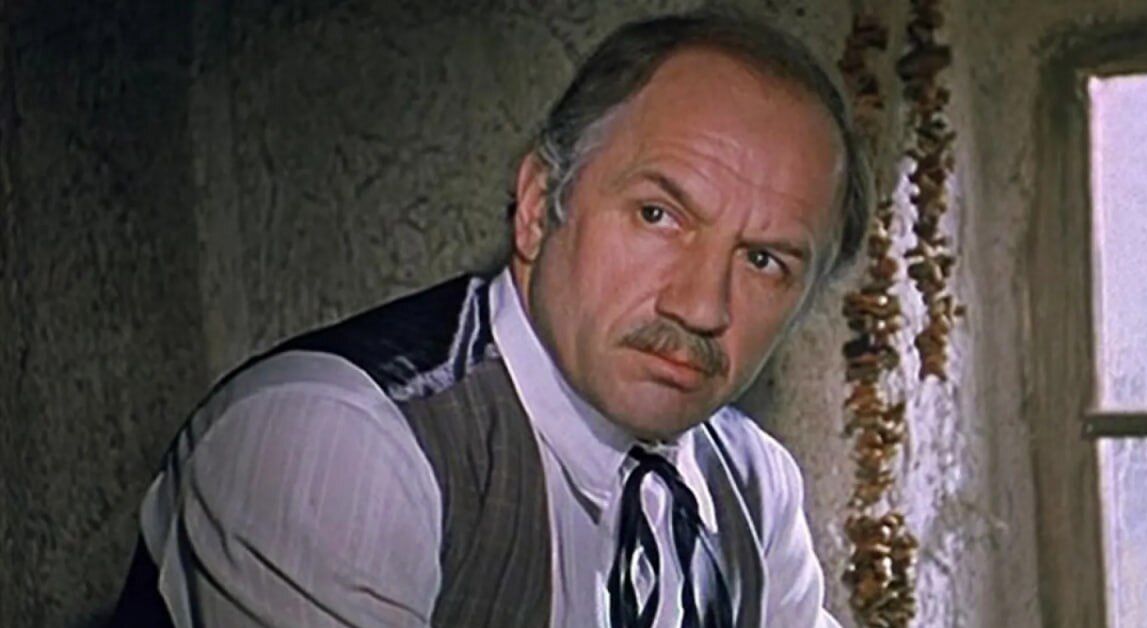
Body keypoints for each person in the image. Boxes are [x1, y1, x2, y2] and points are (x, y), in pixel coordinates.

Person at [109, 10, 867, 628]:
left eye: (764, 260)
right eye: (657, 215)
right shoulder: (336, 439)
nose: (701, 306)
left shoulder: (753, 486)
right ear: (538, 206)